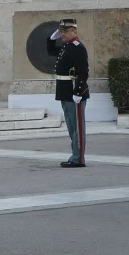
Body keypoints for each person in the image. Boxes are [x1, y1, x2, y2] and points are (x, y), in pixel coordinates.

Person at [47, 18, 90, 168]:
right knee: (72, 126)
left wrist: (78, 92)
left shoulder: (77, 48)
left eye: (66, 31)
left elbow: (83, 73)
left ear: (74, 31)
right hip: (65, 92)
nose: (63, 34)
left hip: (74, 92)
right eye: (61, 31)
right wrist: (51, 39)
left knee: (77, 127)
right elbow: (51, 51)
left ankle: (78, 158)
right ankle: (75, 156)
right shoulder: (66, 46)